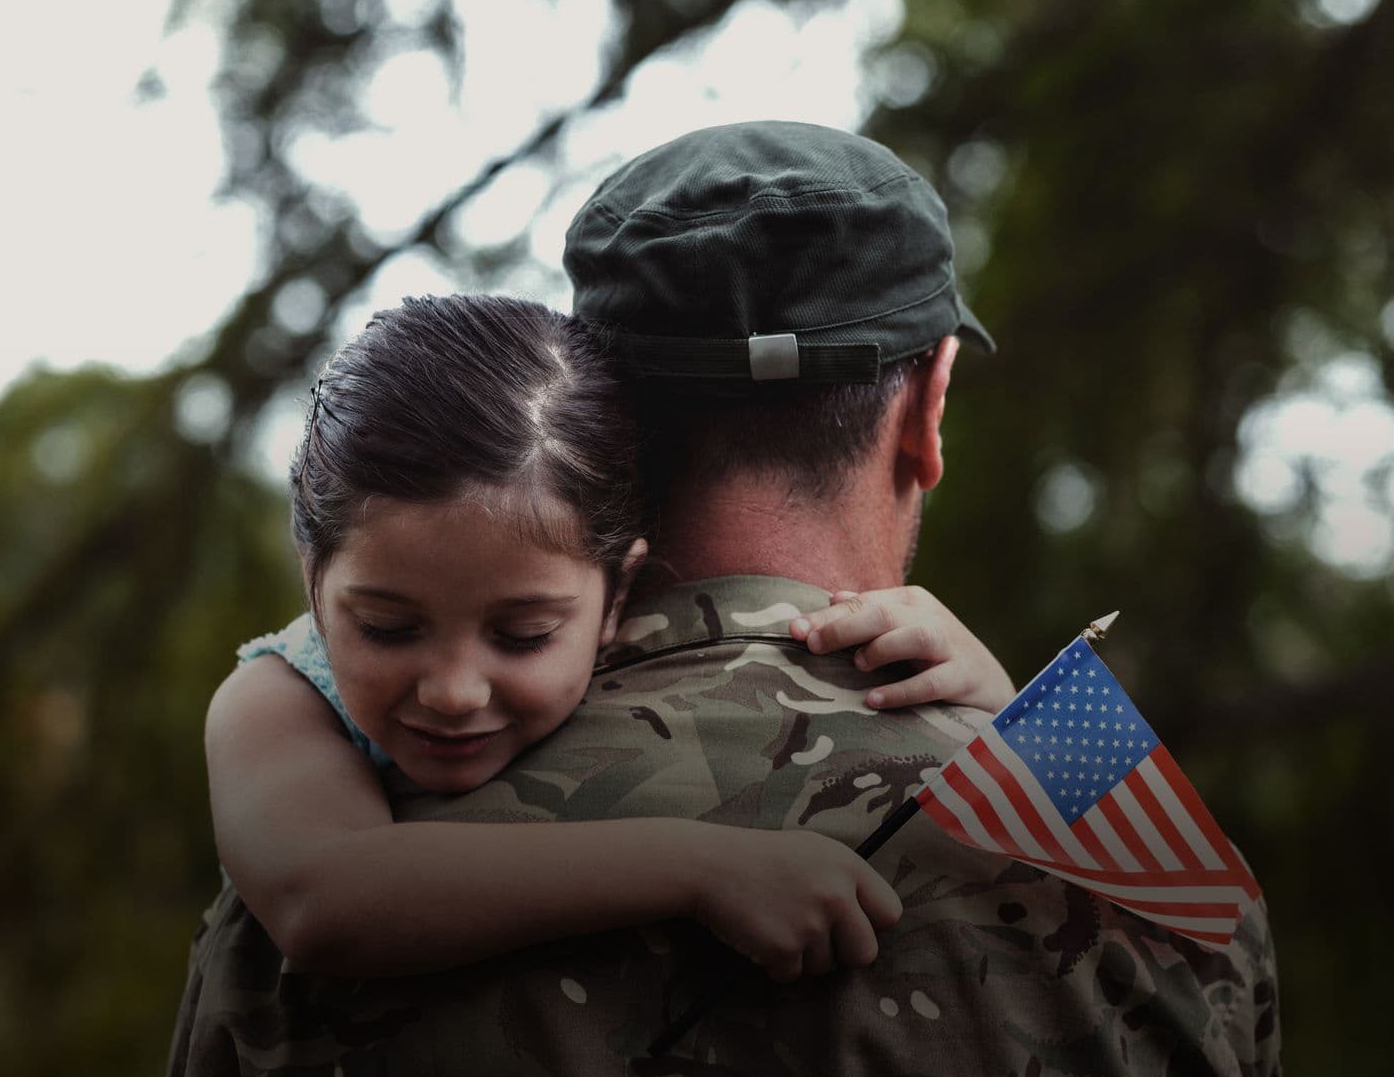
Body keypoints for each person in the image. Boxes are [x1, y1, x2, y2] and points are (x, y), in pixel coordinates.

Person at [132, 122, 1286, 1077]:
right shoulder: (1155, 875)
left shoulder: (346, 837)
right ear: (929, 410)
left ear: (601, 420)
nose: (453, 687)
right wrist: (1003, 729)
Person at [207, 292, 1013, 983]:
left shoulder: (642, 656)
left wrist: (994, 700)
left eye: (522, 636)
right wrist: (702, 867)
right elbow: (324, 899)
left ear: (620, 595)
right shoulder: (278, 698)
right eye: (387, 627)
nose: (452, 689)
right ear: (313, 577)